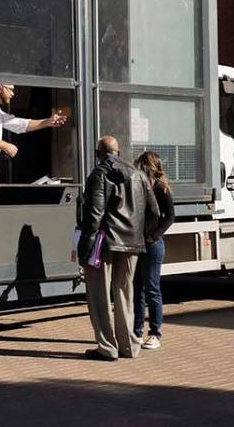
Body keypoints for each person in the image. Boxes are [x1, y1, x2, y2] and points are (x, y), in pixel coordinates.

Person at [79, 136, 160, 361]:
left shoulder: (99, 174)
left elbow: (94, 214)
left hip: (104, 243)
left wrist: (85, 247)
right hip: (132, 244)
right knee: (125, 293)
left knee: (99, 295)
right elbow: (154, 212)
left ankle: (107, 347)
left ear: (98, 153)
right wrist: (141, 235)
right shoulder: (138, 174)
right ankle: (129, 346)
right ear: (119, 151)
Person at [133, 150, 176, 350]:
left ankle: (155, 333)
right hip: (139, 243)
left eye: (141, 165)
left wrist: (153, 237)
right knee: (137, 289)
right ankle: (136, 331)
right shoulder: (140, 187)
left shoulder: (161, 189)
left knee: (152, 288)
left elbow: (169, 217)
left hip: (152, 244)